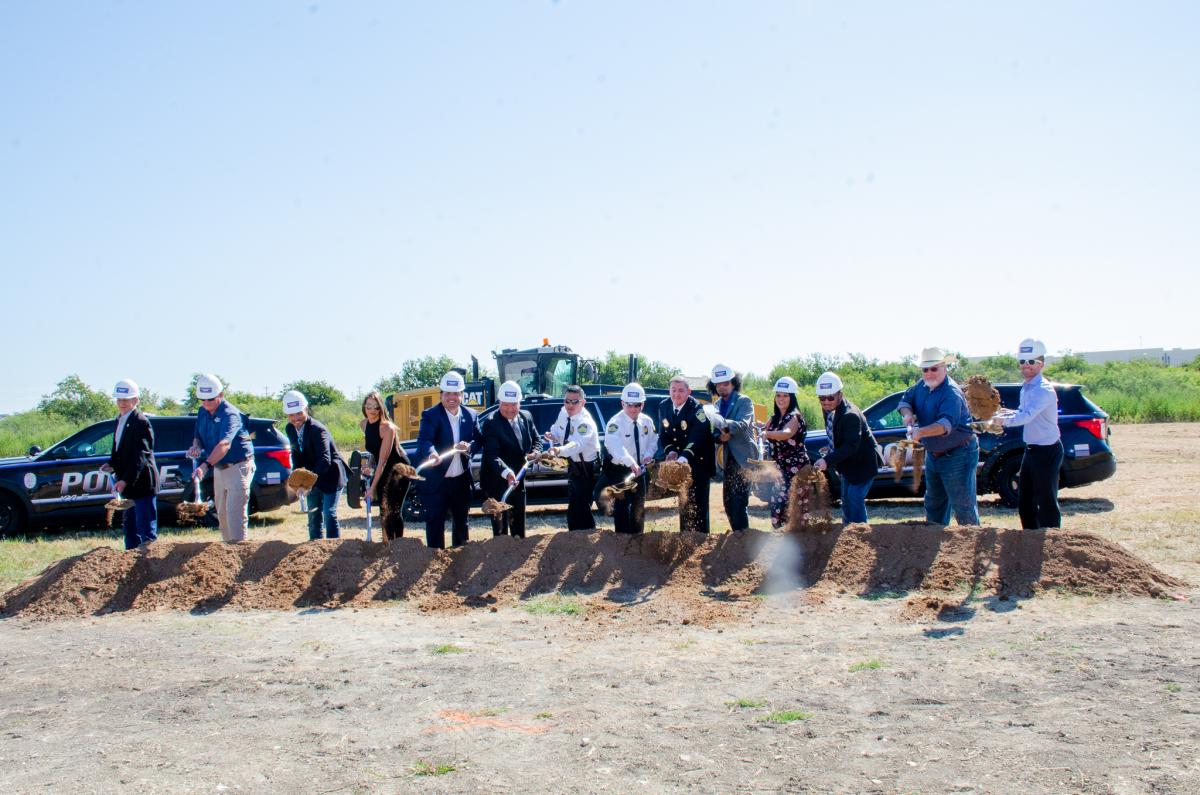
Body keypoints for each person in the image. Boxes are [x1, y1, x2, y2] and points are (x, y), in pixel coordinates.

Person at [897, 348, 979, 526]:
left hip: (959, 453)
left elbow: (945, 425)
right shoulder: (922, 386)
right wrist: (908, 415)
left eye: (934, 368)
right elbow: (905, 401)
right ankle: (935, 545)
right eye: (925, 370)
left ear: (944, 368)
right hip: (935, 454)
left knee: (963, 506)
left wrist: (920, 432)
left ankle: (975, 548)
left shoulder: (951, 393)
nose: (929, 373)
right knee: (934, 504)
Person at [1001, 338, 1063, 529]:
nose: (1026, 366)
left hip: (1047, 450)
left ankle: (1052, 541)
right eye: (1022, 362)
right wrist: (1003, 412)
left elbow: (1026, 417)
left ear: (1041, 364)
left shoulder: (1044, 390)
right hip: (1032, 449)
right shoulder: (1027, 386)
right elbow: (1021, 411)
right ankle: (1030, 541)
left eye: (1031, 362)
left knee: (1046, 500)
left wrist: (998, 421)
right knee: (1025, 499)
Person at [415, 371, 481, 549]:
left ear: (462, 395)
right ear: (441, 394)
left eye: (456, 393)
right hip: (438, 481)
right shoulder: (431, 415)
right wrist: (432, 453)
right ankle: (435, 561)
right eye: (448, 393)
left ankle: (459, 561)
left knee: (461, 524)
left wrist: (469, 447)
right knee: (435, 522)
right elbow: (424, 440)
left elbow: (479, 440)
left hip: (460, 481)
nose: (452, 397)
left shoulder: (471, 415)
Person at [188, 373, 256, 543]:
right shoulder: (203, 412)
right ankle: (227, 553)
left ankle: (240, 554)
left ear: (221, 395)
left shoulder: (230, 415)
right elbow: (198, 434)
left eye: (210, 399)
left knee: (235, 516)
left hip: (238, 466)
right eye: (202, 399)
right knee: (223, 516)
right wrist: (196, 446)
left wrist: (205, 465)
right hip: (219, 467)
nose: (206, 403)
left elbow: (224, 444)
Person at [813, 372, 879, 525]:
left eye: (830, 397)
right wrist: (831, 446)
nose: (826, 402)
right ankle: (847, 533)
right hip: (847, 465)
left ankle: (861, 533)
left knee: (854, 497)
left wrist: (827, 460)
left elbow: (851, 445)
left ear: (840, 395)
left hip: (862, 465)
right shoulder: (830, 409)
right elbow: (839, 434)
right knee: (846, 499)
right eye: (822, 398)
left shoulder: (851, 415)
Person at [101, 378, 158, 550]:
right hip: (129, 485)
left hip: (141, 484)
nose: (122, 403)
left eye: (126, 399)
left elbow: (141, 456)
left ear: (135, 400)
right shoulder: (120, 420)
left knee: (145, 530)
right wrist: (112, 464)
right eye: (119, 399)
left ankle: (150, 567)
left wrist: (125, 479)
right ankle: (131, 570)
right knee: (131, 530)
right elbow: (119, 449)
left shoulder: (140, 421)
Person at [283, 390, 348, 541]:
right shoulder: (290, 428)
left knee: (328, 513)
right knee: (313, 515)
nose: (295, 418)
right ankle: (314, 549)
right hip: (311, 474)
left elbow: (326, 460)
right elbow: (296, 454)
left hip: (331, 475)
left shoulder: (318, 430)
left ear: (306, 409)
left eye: (299, 413)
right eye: (291, 415)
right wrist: (298, 478)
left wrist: (307, 482)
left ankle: (333, 549)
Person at [481, 381, 542, 537]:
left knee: (518, 523)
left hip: (519, 479)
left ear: (519, 402)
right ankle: (501, 557)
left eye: (513, 405)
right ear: (499, 402)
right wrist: (507, 473)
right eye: (505, 405)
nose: (509, 409)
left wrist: (535, 453)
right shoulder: (491, 423)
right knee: (501, 529)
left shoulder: (526, 417)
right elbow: (491, 455)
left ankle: (518, 552)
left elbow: (537, 440)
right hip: (497, 480)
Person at [656, 376, 715, 533]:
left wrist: (683, 457)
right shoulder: (664, 406)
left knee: (699, 506)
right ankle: (685, 538)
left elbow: (698, 435)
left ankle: (701, 541)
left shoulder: (697, 409)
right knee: (684, 503)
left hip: (698, 464)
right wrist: (670, 451)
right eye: (673, 390)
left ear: (689, 391)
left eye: (681, 390)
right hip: (680, 464)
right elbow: (664, 434)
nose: (676, 394)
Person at [704, 364, 759, 532]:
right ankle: (738, 537)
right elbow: (714, 433)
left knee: (739, 503)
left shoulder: (744, 401)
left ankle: (743, 539)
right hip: (727, 460)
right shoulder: (717, 404)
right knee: (728, 503)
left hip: (744, 459)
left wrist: (724, 426)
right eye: (718, 384)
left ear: (733, 383)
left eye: (726, 383)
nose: (722, 387)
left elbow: (742, 424)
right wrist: (719, 437)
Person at [603, 383, 659, 534]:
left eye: (637, 405)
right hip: (620, 469)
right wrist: (630, 462)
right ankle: (622, 541)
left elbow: (654, 441)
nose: (633, 409)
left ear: (643, 404)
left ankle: (638, 538)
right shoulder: (615, 423)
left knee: (639, 504)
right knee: (621, 506)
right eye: (629, 405)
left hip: (640, 469)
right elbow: (615, 446)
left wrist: (648, 455)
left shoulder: (647, 421)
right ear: (622, 403)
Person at [546, 385, 600, 531]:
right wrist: (553, 435)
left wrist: (559, 450)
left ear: (582, 403)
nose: (570, 405)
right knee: (574, 505)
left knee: (582, 505)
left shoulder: (585, 422)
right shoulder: (563, 412)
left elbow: (577, 444)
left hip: (586, 467)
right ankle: (574, 538)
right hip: (572, 464)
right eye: (567, 401)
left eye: (574, 402)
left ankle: (589, 535)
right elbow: (558, 429)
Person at [360, 390, 414, 540]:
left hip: (398, 470)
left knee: (393, 509)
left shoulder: (387, 428)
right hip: (383, 469)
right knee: (384, 509)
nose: (372, 411)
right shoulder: (364, 424)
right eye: (368, 406)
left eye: (376, 407)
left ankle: (397, 546)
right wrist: (370, 464)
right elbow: (374, 450)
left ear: (381, 408)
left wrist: (371, 489)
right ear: (364, 407)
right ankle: (386, 543)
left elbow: (383, 461)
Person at [760, 376, 810, 528]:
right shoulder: (775, 417)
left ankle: (799, 542)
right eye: (778, 395)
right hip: (780, 470)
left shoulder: (794, 416)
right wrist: (761, 428)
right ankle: (781, 541)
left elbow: (786, 433)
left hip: (796, 470)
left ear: (792, 397)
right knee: (778, 506)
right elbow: (764, 430)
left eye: (785, 395)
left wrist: (767, 434)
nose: (781, 399)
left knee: (794, 506)